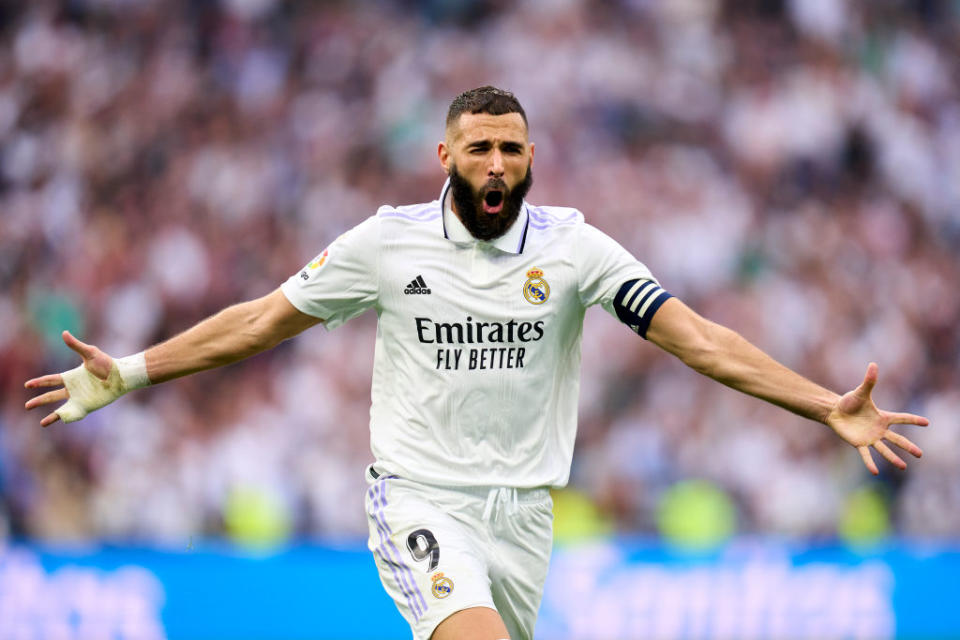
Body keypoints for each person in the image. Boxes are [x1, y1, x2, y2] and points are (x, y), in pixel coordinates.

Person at [24, 86, 929, 640]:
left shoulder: (576, 250)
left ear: (532, 158)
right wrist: (131, 372)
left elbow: (696, 338)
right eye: (478, 147)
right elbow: (261, 321)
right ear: (446, 155)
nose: (495, 163)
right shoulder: (388, 241)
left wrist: (822, 405)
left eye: (510, 148)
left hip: (525, 516)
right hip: (420, 497)